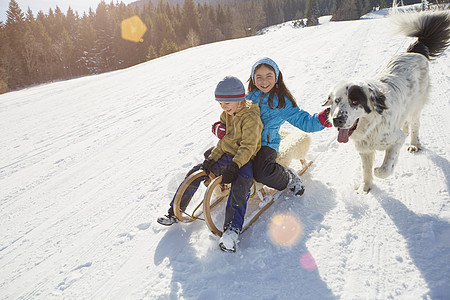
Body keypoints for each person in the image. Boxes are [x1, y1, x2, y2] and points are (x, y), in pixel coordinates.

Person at [157, 76, 263, 253]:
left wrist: (235, 165)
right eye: (220, 103)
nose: (223, 107)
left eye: (226, 103)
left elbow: (249, 146)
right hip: (228, 155)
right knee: (197, 171)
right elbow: (225, 141)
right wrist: (212, 159)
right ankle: (175, 210)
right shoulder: (228, 114)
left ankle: (232, 230)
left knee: (241, 182)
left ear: (239, 99)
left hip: (246, 158)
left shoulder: (251, 118)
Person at [213, 58, 330, 197]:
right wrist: (221, 126)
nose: (264, 81)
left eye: (269, 76)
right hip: (245, 141)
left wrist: (324, 118)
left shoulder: (282, 101)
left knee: (262, 172)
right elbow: (232, 114)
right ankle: (224, 182)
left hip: (266, 144)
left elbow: (304, 121)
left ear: (276, 77)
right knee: (214, 155)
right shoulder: (248, 97)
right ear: (253, 78)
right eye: (259, 77)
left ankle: (288, 177)